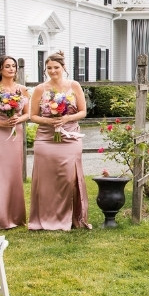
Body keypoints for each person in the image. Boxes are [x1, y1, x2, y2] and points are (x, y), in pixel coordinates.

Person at [28, 52, 90, 231]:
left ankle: (69, 217)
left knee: (67, 177)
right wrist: (49, 121)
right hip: (46, 138)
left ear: (63, 67)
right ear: (45, 69)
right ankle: (44, 217)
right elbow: (32, 116)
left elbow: (83, 111)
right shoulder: (40, 89)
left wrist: (67, 118)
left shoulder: (74, 85)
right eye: (49, 68)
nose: (53, 71)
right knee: (46, 179)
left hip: (70, 136)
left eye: (56, 67)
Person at [0, 55, 30, 229]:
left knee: (13, 173)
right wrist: (2, 123)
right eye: (7, 66)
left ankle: (15, 216)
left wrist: (18, 120)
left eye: (13, 66)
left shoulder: (22, 90)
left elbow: (28, 113)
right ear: (0, 69)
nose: (11, 69)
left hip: (15, 134)